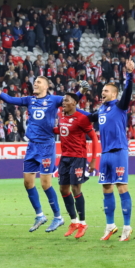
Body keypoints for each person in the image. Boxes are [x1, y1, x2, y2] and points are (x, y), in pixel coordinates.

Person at [0, 78, 85, 233]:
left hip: (46, 145)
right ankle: (40, 215)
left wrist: (82, 91)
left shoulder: (54, 100)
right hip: (32, 145)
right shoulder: (29, 100)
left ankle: (58, 216)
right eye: (35, 82)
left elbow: (71, 101)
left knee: (46, 183)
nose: (36, 83)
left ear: (47, 86)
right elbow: (10, 99)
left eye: (39, 82)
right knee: (28, 183)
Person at [86, 58, 135, 242]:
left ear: (114, 94)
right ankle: (110, 226)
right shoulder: (101, 110)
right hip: (105, 154)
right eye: (102, 90)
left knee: (121, 188)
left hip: (119, 152)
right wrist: (73, 110)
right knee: (106, 188)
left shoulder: (120, 106)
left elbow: (128, 92)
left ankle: (127, 227)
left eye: (106, 91)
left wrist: (130, 74)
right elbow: (89, 117)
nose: (102, 93)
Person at [54, 93, 99, 239]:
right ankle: (73, 222)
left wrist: (93, 160)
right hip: (64, 157)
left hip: (78, 157)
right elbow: (61, 130)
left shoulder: (82, 118)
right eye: (63, 100)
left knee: (75, 188)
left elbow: (93, 137)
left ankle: (83, 223)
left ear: (74, 103)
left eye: (66, 100)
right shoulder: (62, 116)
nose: (63, 103)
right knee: (63, 189)